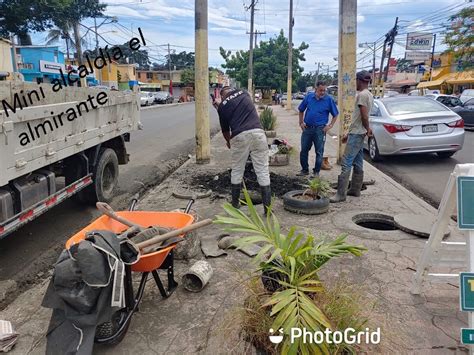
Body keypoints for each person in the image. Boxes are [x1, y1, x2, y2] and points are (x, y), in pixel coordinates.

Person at [212, 86, 272, 214]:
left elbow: (225, 129)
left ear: (222, 96)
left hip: (239, 137)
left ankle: (235, 205)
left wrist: (229, 142)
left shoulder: (222, 106)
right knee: (262, 170)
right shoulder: (244, 93)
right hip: (258, 133)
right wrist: (222, 105)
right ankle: (268, 210)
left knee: (237, 170)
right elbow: (236, 107)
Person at [330, 70, 374, 203]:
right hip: (357, 133)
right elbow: (359, 118)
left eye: (355, 81)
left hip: (357, 133)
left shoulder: (362, 96)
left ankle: (341, 194)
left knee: (346, 162)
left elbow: (363, 115)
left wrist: (367, 128)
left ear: (360, 81)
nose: (354, 83)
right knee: (358, 161)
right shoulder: (369, 95)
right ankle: (355, 189)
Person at [297, 82, 339, 177]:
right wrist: (301, 123)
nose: (323, 92)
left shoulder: (329, 100)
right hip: (307, 129)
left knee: (319, 152)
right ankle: (304, 170)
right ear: (316, 89)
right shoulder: (309, 97)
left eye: (324, 90)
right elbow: (301, 110)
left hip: (320, 130)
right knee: (304, 150)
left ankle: (316, 172)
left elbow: (335, 114)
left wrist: (330, 125)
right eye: (321, 90)